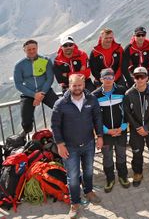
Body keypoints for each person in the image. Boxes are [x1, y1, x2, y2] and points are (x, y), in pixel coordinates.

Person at [51, 73, 103, 218]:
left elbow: (97, 118)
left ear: (84, 85)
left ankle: (89, 191)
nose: (77, 88)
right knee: (73, 176)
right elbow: (55, 126)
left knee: (88, 170)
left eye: (80, 85)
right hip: (69, 147)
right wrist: (60, 145)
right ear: (69, 85)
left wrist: (100, 137)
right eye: (74, 85)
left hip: (88, 143)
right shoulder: (60, 104)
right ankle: (75, 203)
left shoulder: (91, 99)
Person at [123, 66, 149, 186]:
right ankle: (137, 172)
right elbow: (127, 113)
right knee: (136, 152)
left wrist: (147, 126)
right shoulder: (129, 94)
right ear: (133, 78)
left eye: (142, 77)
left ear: (147, 78)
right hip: (136, 129)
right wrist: (137, 127)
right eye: (137, 77)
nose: (140, 79)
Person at [93, 68, 130, 192]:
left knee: (121, 154)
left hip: (121, 130)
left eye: (110, 77)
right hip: (105, 133)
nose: (108, 80)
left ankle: (123, 176)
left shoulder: (122, 90)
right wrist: (105, 131)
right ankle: (110, 179)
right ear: (100, 79)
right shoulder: (95, 95)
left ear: (114, 78)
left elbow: (127, 111)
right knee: (107, 156)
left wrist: (123, 127)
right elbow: (95, 116)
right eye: (105, 78)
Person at [14, 39, 58, 134]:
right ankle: (24, 136)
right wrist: (34, 95)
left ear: (37, 48)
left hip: (45, 91)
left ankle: (61, 133)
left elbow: (49, 78)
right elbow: (18, 84)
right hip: (28, 94)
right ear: (24, 50)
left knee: (61, 109)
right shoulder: (19, 65)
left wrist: (41, 93)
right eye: (29, 49)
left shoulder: (45, 60)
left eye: (34, 48)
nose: (32, 51)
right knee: (26, 121)